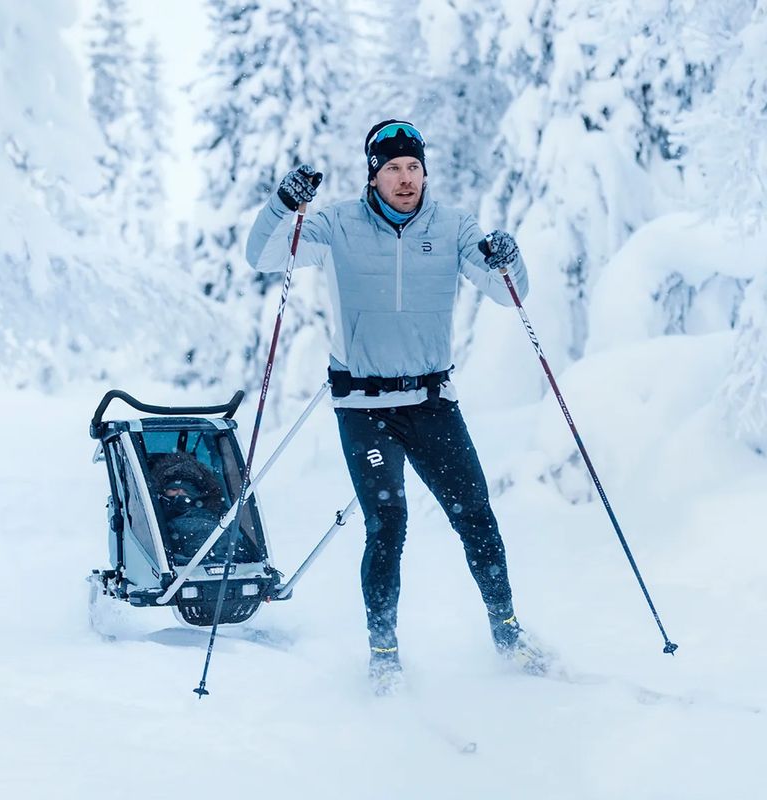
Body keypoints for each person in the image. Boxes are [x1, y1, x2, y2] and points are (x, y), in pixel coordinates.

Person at [246, 119, 545, 692]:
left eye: (413, 167)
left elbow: (510, 292)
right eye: (392, 168)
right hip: (365, 407)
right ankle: (384, 656)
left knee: (476, 517)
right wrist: (285, 203)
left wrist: (511, 258)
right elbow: (262, 255)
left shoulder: (455, 226)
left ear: (425, 171)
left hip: (432, 402)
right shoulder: (335, 224)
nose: (405, 179)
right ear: (373, 175)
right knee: (388, 524)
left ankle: (509, 635)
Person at [150, 452, 228, 565]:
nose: (180, 494)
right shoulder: (153, 521)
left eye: (187, 490)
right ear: (163, 492)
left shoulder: (216, 519)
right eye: (174, 489)